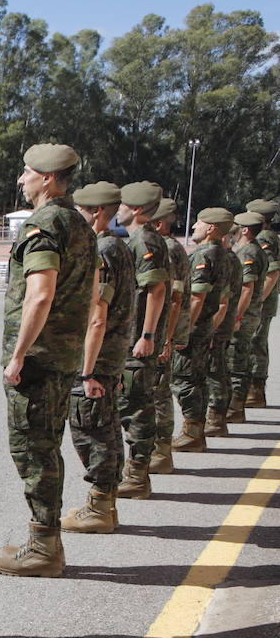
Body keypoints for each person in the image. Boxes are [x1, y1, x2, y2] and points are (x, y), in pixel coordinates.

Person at [0, 144, 95, 579]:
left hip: (38, 359)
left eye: (27, 172)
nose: (21, 180)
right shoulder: (79, 223)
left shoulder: (46, 222)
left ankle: (44, 547)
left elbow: (41, 292)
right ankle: (43, 538)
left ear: (47, 179)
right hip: (62, 354)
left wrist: (18, 355)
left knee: (34, 452)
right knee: (46, 448)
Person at [60, 182, 134, 534]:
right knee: (105, 428)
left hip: (97, 358)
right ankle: (105, 504)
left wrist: (86, 371)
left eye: (81, 213)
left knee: (91, 431)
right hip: (111, 355)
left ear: (97, 213)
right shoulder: (117, 247)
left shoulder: (101, 250)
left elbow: (97, 315)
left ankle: (100, 507)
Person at [114, 182, 170, 499]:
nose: (116, 210)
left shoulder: (145, 240)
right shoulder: (137, 239)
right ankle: (136, 473)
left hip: (138, 341)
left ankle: (136, 476)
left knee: (135, 406)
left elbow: (156, 290)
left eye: (122, 204)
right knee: (133, 404)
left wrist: (147, 335)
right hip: (132, 337)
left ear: (136, 209)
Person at [170, 208, 233, 452]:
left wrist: (181, 330)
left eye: (199, 222)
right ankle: (196, 429)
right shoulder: (223, 254)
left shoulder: (205, 254)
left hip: (194, 327)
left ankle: (192, 432)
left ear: (211, 228)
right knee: (197, 379)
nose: (194, 226)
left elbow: (197, 296)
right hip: (205, 325)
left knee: (185, 380)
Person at [148, 199, 189, 474]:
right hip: (165, 331)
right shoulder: (170, 247)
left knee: (158, 392)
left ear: (159, 224)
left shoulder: (168, 249)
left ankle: (161, 452)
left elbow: (174, 298)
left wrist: (166, 338)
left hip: (164, 331)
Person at [228, 212, 270, 422]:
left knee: (236, 361)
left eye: (237, 225)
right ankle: (235, 407)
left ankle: (234, 408)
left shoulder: (249, 252)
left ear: (245, 230)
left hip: (244, 315)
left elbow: (247, 288)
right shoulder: (252, 249)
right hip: (249, 313)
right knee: (239, 358)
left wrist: (237, 316)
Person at [204, 223, 243, 437]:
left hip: (217, 323)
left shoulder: (225, 259)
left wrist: (210, 328)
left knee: (215, 371)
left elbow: (223, 300)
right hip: (222, 322)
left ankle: (216, 418)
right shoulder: (230, 258)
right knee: (219, 370)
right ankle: (219, 416)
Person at [244, 199, 279, 408]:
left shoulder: (264, 237)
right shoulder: (268, 236)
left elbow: (272, 274)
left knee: (255, 343)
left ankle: (255, 390)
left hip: (262, 302)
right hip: (263, 301)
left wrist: (256, 301)